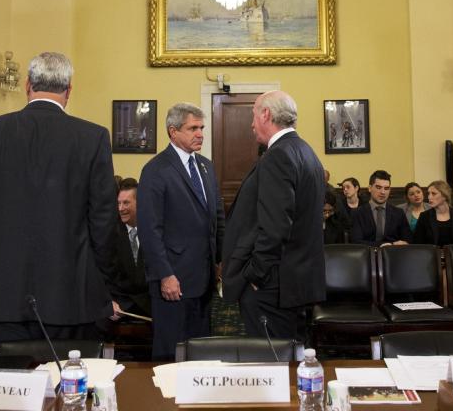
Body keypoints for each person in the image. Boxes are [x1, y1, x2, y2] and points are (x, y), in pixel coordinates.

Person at [0, 52, 117, 343]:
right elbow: (103, 222)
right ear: (69, 90)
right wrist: (99, 283)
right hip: (72, 298)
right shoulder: (92, 137)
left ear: (27, 85)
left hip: (1, 296)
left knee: (8, 388)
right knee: (67, 387)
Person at [221, 90, 326, 340]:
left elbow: (276, 227)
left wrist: (255, 275)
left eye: (254, 115)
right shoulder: (306, 151)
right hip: (296, 282)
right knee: (291, 359)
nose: (251, 123)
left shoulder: (278, 155)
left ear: (266, 114)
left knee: (272, 365)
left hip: (274, 286)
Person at [137, 103, 225, 360]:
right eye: (193, 128)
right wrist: (165, 274)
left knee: (201, 351)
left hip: (204, 278)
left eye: (202, 128)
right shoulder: (156, 170)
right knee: (171, 354)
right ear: (173, 131)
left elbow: (217, 216)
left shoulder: (206, 166)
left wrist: (220, 260)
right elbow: (150, 229)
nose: (200, 134)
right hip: (173, 280)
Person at [109, 178, 150, 318]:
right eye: (118, 203)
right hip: (121, 305)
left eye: (126, 203)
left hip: (151, 303)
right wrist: (110, 301)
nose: (121, 208)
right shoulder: (111, 233)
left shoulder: (154, 231)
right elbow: (106, 274)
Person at [350, 170, 412, 246]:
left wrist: (403, 243)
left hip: (393, 255)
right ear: (369, 188)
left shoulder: (398, 213)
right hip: (367, 256)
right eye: (378, 187)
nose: (383, 192)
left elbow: (408, 239)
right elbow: (356, 242)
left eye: (386, 188)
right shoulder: (357, 213)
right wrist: (386, 244)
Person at [413, 180, 453, 245]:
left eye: (433, 193)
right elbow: (418, 244)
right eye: (428, 193)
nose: (429, 197)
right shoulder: (424, 217)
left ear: (444, 196)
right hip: (431, 254)